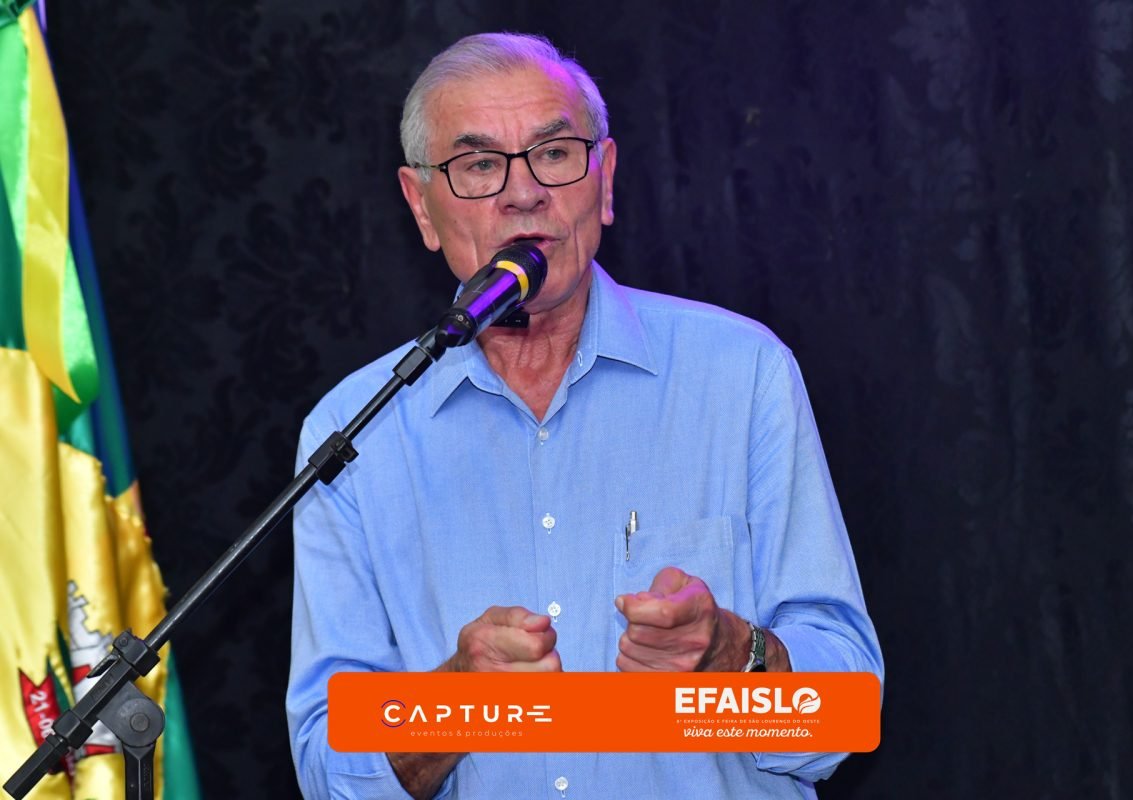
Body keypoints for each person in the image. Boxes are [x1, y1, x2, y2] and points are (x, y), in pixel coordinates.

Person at [287, 32, 882, 800]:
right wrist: (456, 702)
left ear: (604, 181)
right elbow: (329, 774)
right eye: (478, 166)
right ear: (420, 206)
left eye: (555, 154)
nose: (523, 193)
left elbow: (844, 715)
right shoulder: (355, 431)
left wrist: (732, 655)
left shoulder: (742, 374)